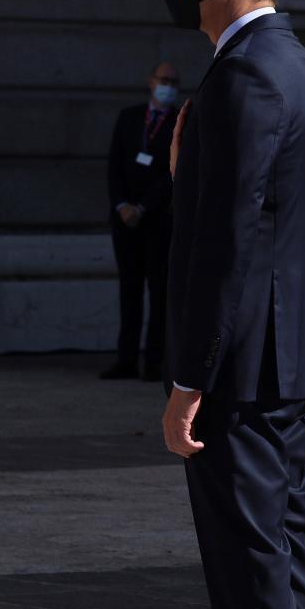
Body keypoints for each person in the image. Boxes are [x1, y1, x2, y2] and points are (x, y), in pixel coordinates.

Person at [158, 0, 305, 609]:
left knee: (250, 576)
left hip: (239, 373)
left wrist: (189, 379)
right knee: (283, 559)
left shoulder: (245, 75)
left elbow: (228, 240)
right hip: (282, 361)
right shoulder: (300, 66)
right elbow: (269, 211)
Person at [101, 62, 181, 381]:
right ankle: (126, 359)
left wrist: (143, 207)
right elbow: (115, 165)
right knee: (129, 289)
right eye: (163, 80)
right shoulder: (130, 117)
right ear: (151, 82)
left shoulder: (180, 122)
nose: (168, 86)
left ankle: (154, 361)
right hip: (126, 220)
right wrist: (122, 205)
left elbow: (172, 173)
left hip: (157, 219)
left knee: (159, 291)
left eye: (173, 82)